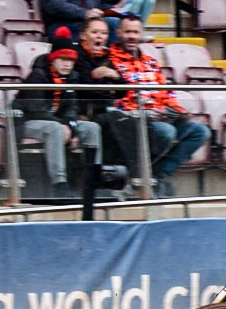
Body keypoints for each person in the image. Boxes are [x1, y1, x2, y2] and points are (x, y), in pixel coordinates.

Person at [103, 15, 211, 196]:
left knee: (200, 132)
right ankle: (141, 175)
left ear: (141, 34)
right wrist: (148, 112)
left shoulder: (150, 62)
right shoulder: (109, 60)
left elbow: (165, 92)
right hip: (131, 118)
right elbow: (113, 98)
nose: (132, 36)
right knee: (166, 132)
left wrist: (175, 110)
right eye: (128, 31)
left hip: (160, 115)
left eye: (136, 32)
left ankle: (157, 174)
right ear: (118, 32)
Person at [13, 28, 103, 197]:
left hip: (56, 122)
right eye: (62, 59)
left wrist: (72, 128)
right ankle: (59, 184)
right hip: (26, 122)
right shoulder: (38, 75)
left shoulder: (72, 77)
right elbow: (36, 110)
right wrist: (64, 126)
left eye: (70, 60)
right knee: (54, 128)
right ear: (53, 59)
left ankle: (93, 181)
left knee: (92, 128)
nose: (67, 64)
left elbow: (71, 108)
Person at [41, 0, 119, 40]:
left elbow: (101, 5)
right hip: (62, 25)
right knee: (112, 24)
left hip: (88, 22)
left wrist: (115, 8)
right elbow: (53, 5)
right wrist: (84, 13)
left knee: (122, 24)